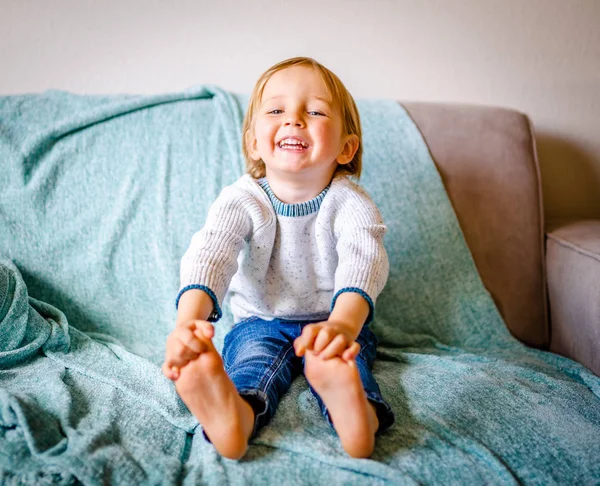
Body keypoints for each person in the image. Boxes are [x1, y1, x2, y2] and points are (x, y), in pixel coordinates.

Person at [162, 57, 394, 460]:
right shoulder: (242, 199)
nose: (294, 120)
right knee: (251, 367)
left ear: (346, 147)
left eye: (316, 111)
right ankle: (233, 416)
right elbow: (211, 253)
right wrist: (189, 323)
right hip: (260, 321)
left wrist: (341, 325)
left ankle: (356, 414)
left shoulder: (352, 203)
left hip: (333, 325)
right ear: (253, 141)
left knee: (348, 364)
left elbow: (364, 260)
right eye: (276, 110)